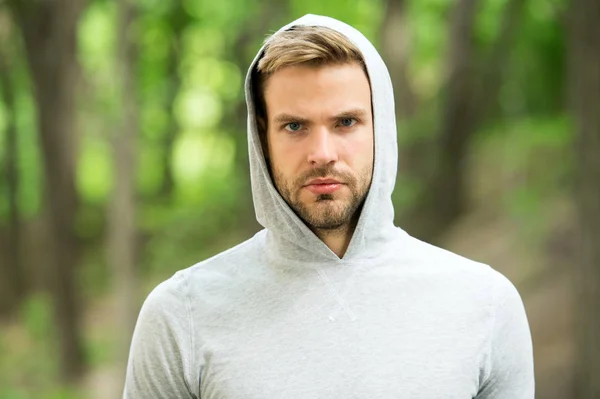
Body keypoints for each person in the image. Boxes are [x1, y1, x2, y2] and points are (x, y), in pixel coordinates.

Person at [123, 14, 534, 398]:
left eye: (346, 123)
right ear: (263, 137)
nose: (322, 153)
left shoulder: (485, 304)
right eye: (295, 126)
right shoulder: (182, 315)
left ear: (381, 127)